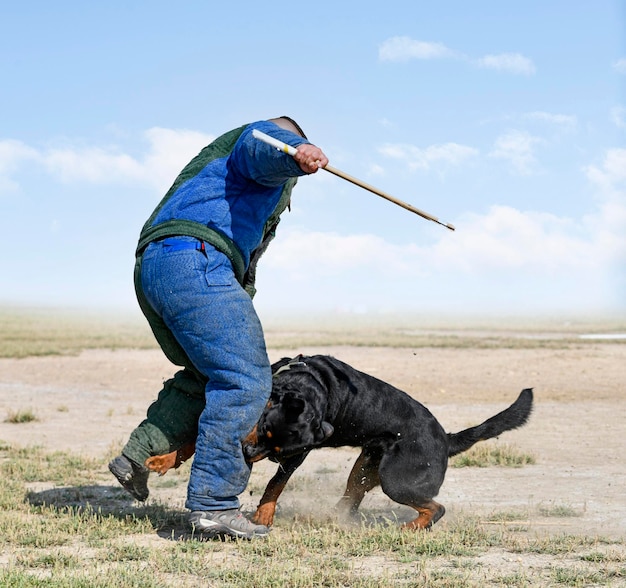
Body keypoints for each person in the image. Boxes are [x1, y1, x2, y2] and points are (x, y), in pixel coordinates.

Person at [108, 117, 328, 539]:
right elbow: (260, 143)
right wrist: (297, 151)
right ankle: (214, 505)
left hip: (158, 266)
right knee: (243, 380)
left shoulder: (215, 176)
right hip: (196, 259)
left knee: (206, 372)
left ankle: (139, 454)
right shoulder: (260, 144)